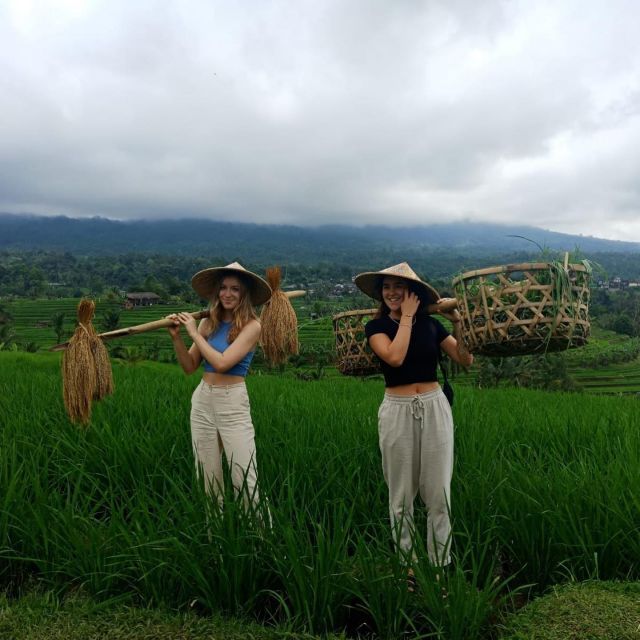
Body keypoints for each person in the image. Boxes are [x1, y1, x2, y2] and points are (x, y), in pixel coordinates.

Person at [354, 262, 473, 568]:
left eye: (399, 287)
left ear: (414, 292)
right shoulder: (376, 327)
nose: (392, 293)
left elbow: (465, 358)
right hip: (398, 410)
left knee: (438, 493)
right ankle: (408, 564)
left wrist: (457, 321)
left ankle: (440, 565)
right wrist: (406, 316)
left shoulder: (432, 325)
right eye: (386, 288)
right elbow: (394, 357)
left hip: (434, 406)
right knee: (401, 495)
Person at [167, 261, 272, 510]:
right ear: (217, 292)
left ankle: (262, 542)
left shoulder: (252, 326)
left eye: (235, 289)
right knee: (208, 479)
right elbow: (190, 365)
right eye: (223, 288)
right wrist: (177, 338)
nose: (228, 294)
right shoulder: (207, 323)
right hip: (203, 400)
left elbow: (222, 363)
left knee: (245, 479)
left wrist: (193, 334)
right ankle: (217, 538)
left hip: (232, 401)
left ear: (244, 294)